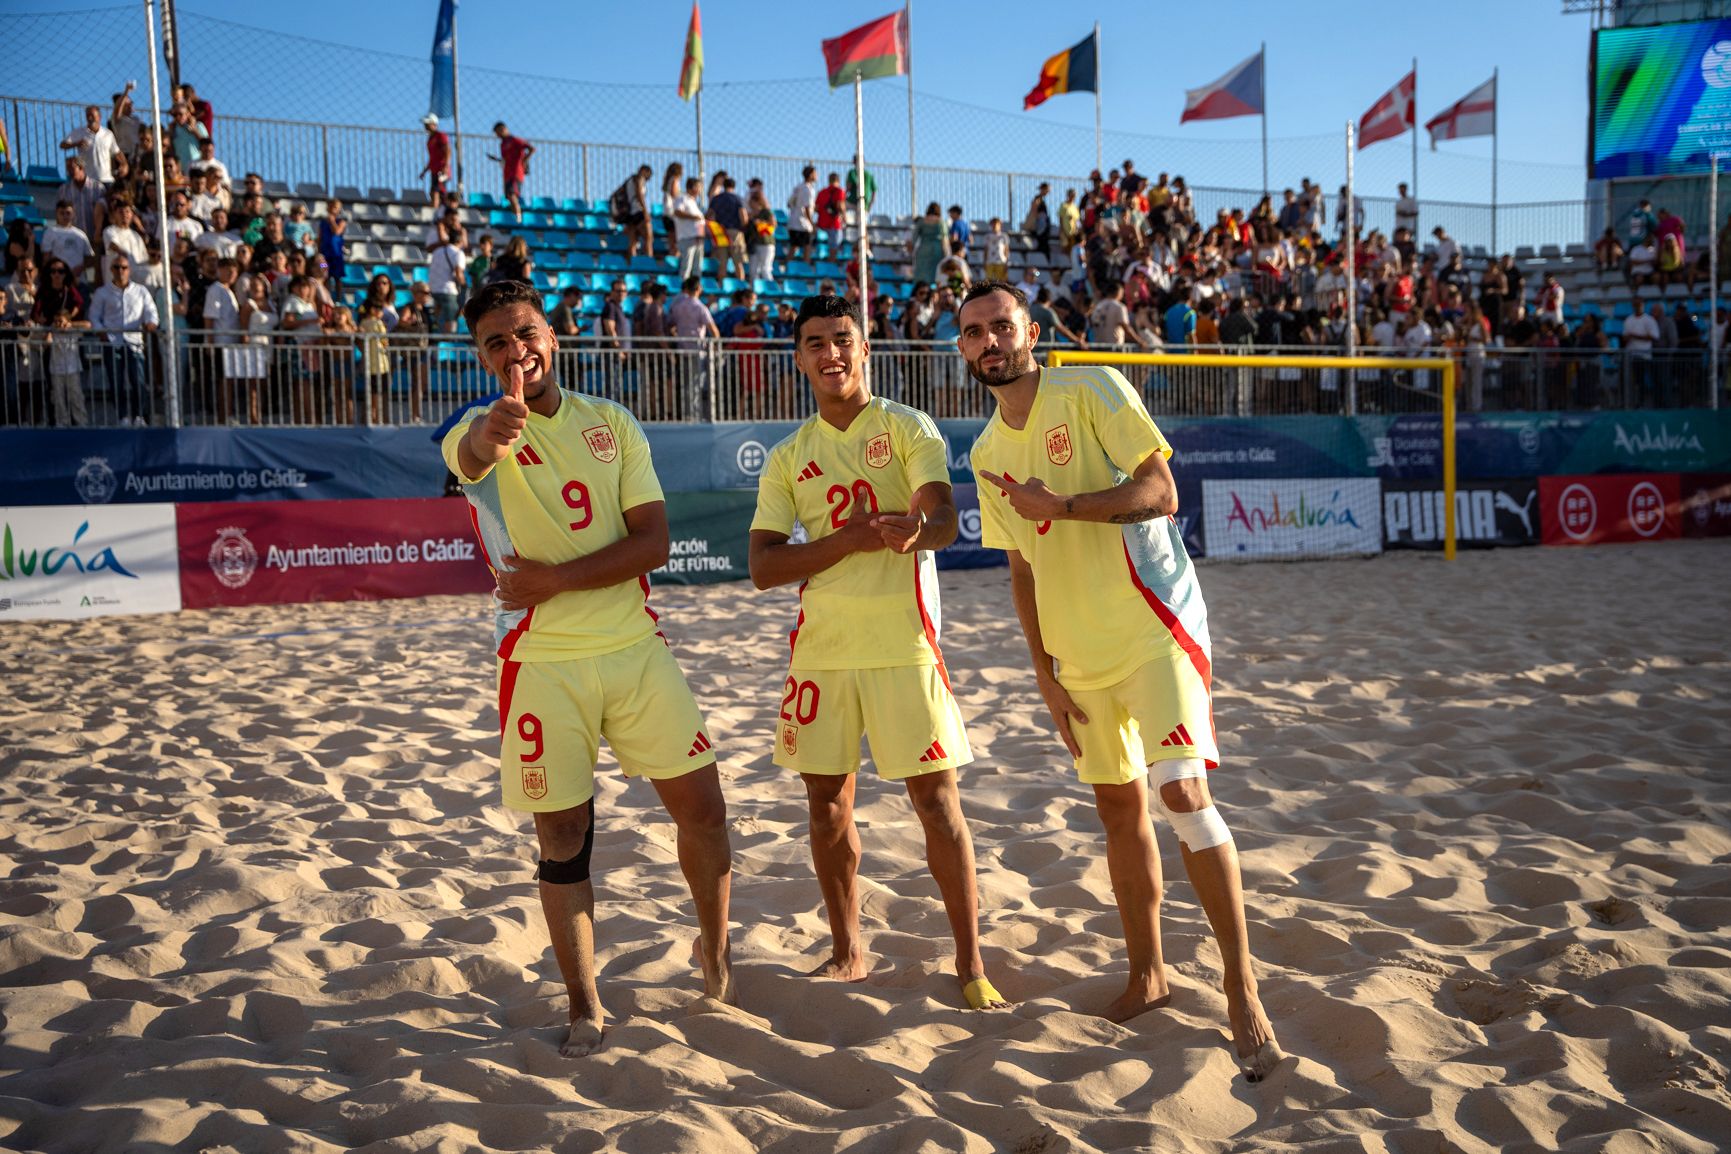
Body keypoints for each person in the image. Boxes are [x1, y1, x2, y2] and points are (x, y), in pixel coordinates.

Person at [958, 281, 1283, 1083]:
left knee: (1180, 794)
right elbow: (1020, 568)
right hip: (1078, 654)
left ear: (1031, 330)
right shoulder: (985, 452)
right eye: (973, 333)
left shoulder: (1093, 387)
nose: (990, 341)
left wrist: (1061, 504)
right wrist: (1044, 676)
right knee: (1117, 807)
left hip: (1154, 628)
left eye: (1001, 326)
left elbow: (1160, 492)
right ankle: (1149, 975)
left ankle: (1241, 986)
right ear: (962, 349)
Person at [441, 279, 736, 1056]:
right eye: (495, 343)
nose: (515, 351)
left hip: (636, 650)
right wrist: (490, 438)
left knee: (704, 815)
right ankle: (584, 1005)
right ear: (479, 358)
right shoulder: (476, 431)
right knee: (564, 839)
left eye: (525, 333)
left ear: (554, 336)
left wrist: (557, 579)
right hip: (542, 663)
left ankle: (715, 957)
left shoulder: (611, 422)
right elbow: (474, 457)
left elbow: (654, 544)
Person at [746, 294, 1007, 1010]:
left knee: (935, 801)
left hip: (903, 643)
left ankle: (970, 962)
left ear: (865, 351)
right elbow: (763, 567)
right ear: (798, 359)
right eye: (815, 343)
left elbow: (946, 518)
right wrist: (848, 541)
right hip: (822, 652)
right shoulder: (788, 456)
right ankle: (846, 950)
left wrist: (913, 534)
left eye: (842, 340)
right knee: (826, 805)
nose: (831, 354)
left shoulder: (906, 427)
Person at [87, 253, 158, 426]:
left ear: (129, 270)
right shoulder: (102, 292)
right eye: (117, 267)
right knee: (116, 382)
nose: (120, 271)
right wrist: (101, 332)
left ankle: (140, 416)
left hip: (134, 342)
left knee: (138, 381)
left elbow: (151, 311)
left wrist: (150, 323)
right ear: (111, 270)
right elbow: (94, 316)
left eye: (124, 267)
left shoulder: (141, 291)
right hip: (113, 342)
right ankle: (123, 416)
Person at [61, 104, 119, 187]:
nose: (89, 118)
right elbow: (63, 145)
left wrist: (124, 165)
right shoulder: (79, 132)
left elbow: (116, 152)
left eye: (92, 115)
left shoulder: (108, 134)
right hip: (89, 180)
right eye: (87, 115)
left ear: (99, 117)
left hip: (106, 179)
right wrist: (76, 143)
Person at [47, 310, 88, 427]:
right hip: (56, 370)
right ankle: (62, 422)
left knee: (76, 397)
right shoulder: (53, 331)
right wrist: (51, 330)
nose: (59, 324)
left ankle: (81, 422)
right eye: (56, 322)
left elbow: (88, 325)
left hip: (72, 369)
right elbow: (47, 342)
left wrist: (71, 325)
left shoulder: (73, 331)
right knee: (58, 398)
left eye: (61, 321)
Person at [491, 122, 535, 222]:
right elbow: (506, 159)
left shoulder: (515, 140)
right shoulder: (502, 144)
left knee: (512, 194)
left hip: (516, 172)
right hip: (507, 173)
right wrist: (498, 160)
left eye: (498, 132)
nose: (497, 136)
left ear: (503, 129)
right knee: (509, 197)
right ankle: (514, 218)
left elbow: (531, 149)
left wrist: (524, 161)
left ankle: (518, 218)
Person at [672, 177, 706, 283]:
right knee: (686, 268)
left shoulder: (694, 203)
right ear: (693, 187)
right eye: (699, 187)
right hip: (687, 239)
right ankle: (684, 291)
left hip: (698, 240)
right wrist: (693, 217)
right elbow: (677, 212)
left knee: (697, 269)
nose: (700, 190)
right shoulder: (682, 198)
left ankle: (695, 290)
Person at [787, 166, 818, 262]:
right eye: (815, 173)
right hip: (803, 223)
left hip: (793, 221)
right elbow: (807, 207)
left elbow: (789, 204)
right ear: (810, 175)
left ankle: (787, 266)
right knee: (807, 247)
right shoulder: (808, 189)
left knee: (794, 247)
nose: (817, 175)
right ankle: (806, 267)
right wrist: (812, 223)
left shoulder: (798, 187)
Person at [911, 203, 945, 288]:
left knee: (921, 276)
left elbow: (914, 239)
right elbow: (945, 240)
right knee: (935, 275)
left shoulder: (921, 221)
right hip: (937, 251)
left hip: (923, 250)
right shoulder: (941, 222)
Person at [420, 115, 451, 200]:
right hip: (434, 169)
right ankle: (438, 210)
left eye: (427, 123)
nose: (425, 126)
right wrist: (425, 170)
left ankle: (440, 210)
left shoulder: (440, 136)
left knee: (437, 191)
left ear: (434, 124)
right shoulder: (430, 139)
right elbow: (432, 158)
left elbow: (448, 151)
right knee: (433, 192)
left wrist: (446, 166)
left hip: (441, 169)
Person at [815, 173, 847, 252]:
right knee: (834, 250)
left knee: (822, 250)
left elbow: (816, 208)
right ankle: (831, 264)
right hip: (834, 224)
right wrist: (844, 217)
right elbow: (840, 205)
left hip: (821, 224)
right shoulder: (840, 191)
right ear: (838, 181)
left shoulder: (821, 192)